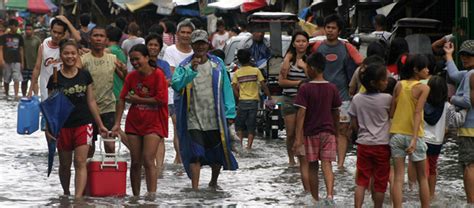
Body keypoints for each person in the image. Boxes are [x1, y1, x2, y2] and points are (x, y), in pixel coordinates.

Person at [171, 29, 238, 190]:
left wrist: (230, 111)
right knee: (195, 155)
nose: (200, 46)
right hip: (193, 117)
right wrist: (191, 71)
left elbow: (226, 88)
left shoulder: (217, 64)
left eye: (202, 43)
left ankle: (213, 183)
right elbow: (176, 85)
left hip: (215, 117)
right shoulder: (185, 66)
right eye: (196, 44)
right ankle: (195, 189)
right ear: (192, 45)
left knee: (216, 154)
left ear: (208, 44)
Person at [48, 39, 108, 199]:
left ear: (78, 55)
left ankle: (78, 198)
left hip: (84, 123)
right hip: (63, 126)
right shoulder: (54, 79)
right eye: (66, 53)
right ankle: (66, 194)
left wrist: (100, 125)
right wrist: (48, 129)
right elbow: (51, 108)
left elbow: (91, 101)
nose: (70, 56)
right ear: (60, 55)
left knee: (80, 162)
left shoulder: (85, 75)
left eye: (73, 53)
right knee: (65, 165)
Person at [111, 44, 168, 197]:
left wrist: (137, 99)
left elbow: (162, 100)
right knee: (135, 162)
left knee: (148, 160)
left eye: (137, 59)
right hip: (134, 122)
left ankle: (151, 196)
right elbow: (122, 99)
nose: (135, 62)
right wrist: (117, 123)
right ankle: (135, 197)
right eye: (132, 60)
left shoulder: (158, 75)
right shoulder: (131, 76)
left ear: (147, 58)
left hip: (154, 123)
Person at [311, 14, 363, 169]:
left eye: (333, 28)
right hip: (320, 97)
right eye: (328, 27)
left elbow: (361, 63)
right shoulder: (317, 47)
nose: (330, 31)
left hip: (343, 97)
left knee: (342, 131)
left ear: (339, 31)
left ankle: (340, 164)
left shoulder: (347, 47)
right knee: (322, 131)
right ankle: (325, 163)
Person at [293, 52, 340, 202]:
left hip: (310, 133)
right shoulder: (332, 88)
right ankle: (330, 196)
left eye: (307, 67)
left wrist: (298, 138)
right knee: (327, 164)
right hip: (328, 132)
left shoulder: (305, 88)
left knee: (312, 166)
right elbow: (336, 112)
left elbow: (301, 114)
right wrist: (336, 132)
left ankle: (315, 199)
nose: (306, 70)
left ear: (312, 68)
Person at [390, 54, 430, 208]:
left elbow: (391, 112)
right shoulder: (424, 88)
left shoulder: (399, 85)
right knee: (422, 178)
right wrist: (414, 139)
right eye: (424, 67)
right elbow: (418, 112)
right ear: (415, 70)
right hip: (415, 136)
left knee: (398, 178)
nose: (427, 70)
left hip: (397, 135)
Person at [79, 26, 127, 156]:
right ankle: (89, 175)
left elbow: (126, 80)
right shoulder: (83, 60)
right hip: (87, 109)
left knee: (110, 146)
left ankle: (109, 174)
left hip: (108, 107)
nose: (98, 39)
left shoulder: (112, 59)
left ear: (106, 40)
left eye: (101, 36)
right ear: (90, 39)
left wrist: (124, 70)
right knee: (89, 148)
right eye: (95, 36)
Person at [349, 64, 391, 208]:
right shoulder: (387, 99)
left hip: (363, 144)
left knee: (361, 181)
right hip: (382, 145)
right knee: (380, 182)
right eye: (384, 79)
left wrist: (359, 132)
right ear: (375, 83)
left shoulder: (357, 99)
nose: (387, 81)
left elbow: (353, 122)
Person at [443, 40, 474, 204]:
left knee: (469, 165)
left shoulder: (470, 75)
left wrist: (452, 98)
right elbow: (454, 75)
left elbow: (469, 102)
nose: (464, 57)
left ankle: (471, 203)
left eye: (469, 55)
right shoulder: (468, 73)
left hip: (470, 128)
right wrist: (449, 55)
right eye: (462, 54)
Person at [278, 31, 311, 175]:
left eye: (304, 41)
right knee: (291, 133)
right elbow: (281, 81)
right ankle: (291, 159)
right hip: (290, 100)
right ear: (293, 43)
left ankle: (302, 159)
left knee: (304, 132)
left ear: (308, 43)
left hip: (307, 101)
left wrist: (304, 67)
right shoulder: (288, 61)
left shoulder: (311, 60)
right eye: (298, 41)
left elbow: (314, 78)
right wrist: (299, 83)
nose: (301, 44)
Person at [163, 19, 195, 164]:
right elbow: (172, 75)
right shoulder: (170, 51)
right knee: (178, 126)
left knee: (190, 128)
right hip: (173, 95)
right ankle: (179, 158)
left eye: (189, 32)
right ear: (177, 34)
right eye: (183, 32)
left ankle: (185, 157)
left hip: (194, 96)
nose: (186, 35)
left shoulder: (196, 52)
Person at [28, 16, 81, 100]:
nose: (56, 35)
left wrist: (67, 22)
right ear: (50, 30)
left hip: (64, 89)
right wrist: (30, 90)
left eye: (59, 33)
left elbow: (79, 39)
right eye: (54, 32)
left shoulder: (68, 47)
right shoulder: (43, 46)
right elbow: (37, 68)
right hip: (45, 88)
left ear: (64, 34)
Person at [232, 49, 272, 149]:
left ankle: (240, 145)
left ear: (239, 61)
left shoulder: (237, 73)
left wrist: (239, 97)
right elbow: (263, 85)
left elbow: (234, 88)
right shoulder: (256, 71)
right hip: (254, 102)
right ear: (250, 58)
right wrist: (270, 97)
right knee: (251, 125)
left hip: (242, 102)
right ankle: (249, 147)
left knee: (239, 125)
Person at [146, 33, 172, 177]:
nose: (153, 48)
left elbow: (170, 80)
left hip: (160, 104)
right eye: (150, 45)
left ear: (160, 48)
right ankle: (148, 164)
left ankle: (159, 167)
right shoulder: (141, 62)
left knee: (160, 135)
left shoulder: (164, 65)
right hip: (143, 104)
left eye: (156, 45)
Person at [0, 19, 24, 100]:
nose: (15, 28)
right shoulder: (4, 37)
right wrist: (1, 59)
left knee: (16, 78)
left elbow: (21, 49)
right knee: (6, 79)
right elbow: (1, 49)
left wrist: (22, 62)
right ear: (10, 26)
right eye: (14, 26)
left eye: (16, 26)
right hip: (6, 60)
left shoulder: (19, 37)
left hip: (17, 60)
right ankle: (6, 94)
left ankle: (16, 95)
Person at [21, 23, 41, 97]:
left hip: (34, 65)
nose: (28, 31)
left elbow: (40, 53)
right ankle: (23, 97)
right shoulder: (22, 39)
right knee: (24, 82)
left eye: (29, 29)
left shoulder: (37, 40)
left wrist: (39, 65)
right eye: (26, 29)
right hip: (25, 65)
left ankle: (36, 96)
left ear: (33, 31)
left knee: (35, 82)